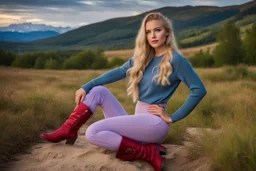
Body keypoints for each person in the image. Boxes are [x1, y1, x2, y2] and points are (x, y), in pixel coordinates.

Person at [41, 12, 207, 171]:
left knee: (93, 132)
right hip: (138, 122)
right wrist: (86, 85)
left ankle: (147, 152)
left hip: (155, 124)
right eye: (148, 32)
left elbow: (198, 90)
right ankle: (69, 129)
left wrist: (171, 117)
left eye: (158, 30)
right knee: (98, 90)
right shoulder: (143, 58)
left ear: (167, 33)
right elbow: (119, 72)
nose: (153, 35)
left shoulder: (176, 60)